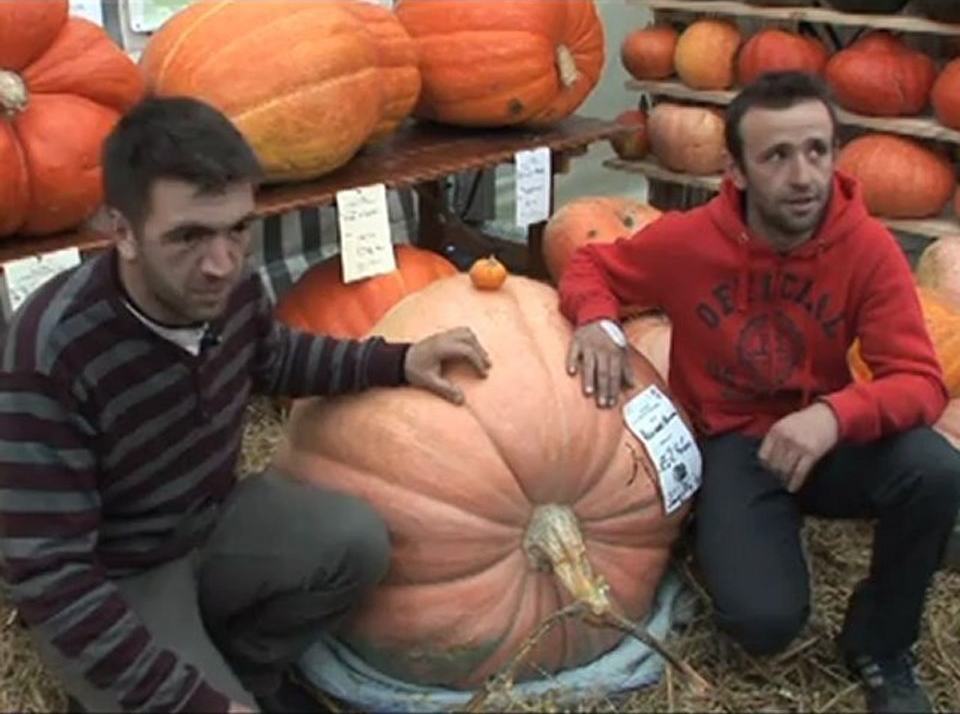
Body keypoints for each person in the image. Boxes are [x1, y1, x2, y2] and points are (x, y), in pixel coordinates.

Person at [0, 95, 492, 714]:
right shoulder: (52, 349)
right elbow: (52, 576)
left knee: (356, 541)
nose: (221, 263)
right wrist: (194, 702)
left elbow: (278, 358)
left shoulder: (231, 292)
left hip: (212, 524)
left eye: (238, 228)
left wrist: (395, 360)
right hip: (120, 578)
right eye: (188, 237)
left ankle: (247, 669)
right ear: (120, 231)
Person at [559, 70, 960, 714]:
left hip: (825, 440)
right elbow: (591, 264)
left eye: (817, 151)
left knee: (936, 469)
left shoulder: (867, 249)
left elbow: (919, 382)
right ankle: (732, 535)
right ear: (736, 170)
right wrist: (598, 321)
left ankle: (882, 645)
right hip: (733, 446)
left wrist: (835, 414)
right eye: (776, 155)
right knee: (764, 624)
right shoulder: (689, 242)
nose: (802, 175)